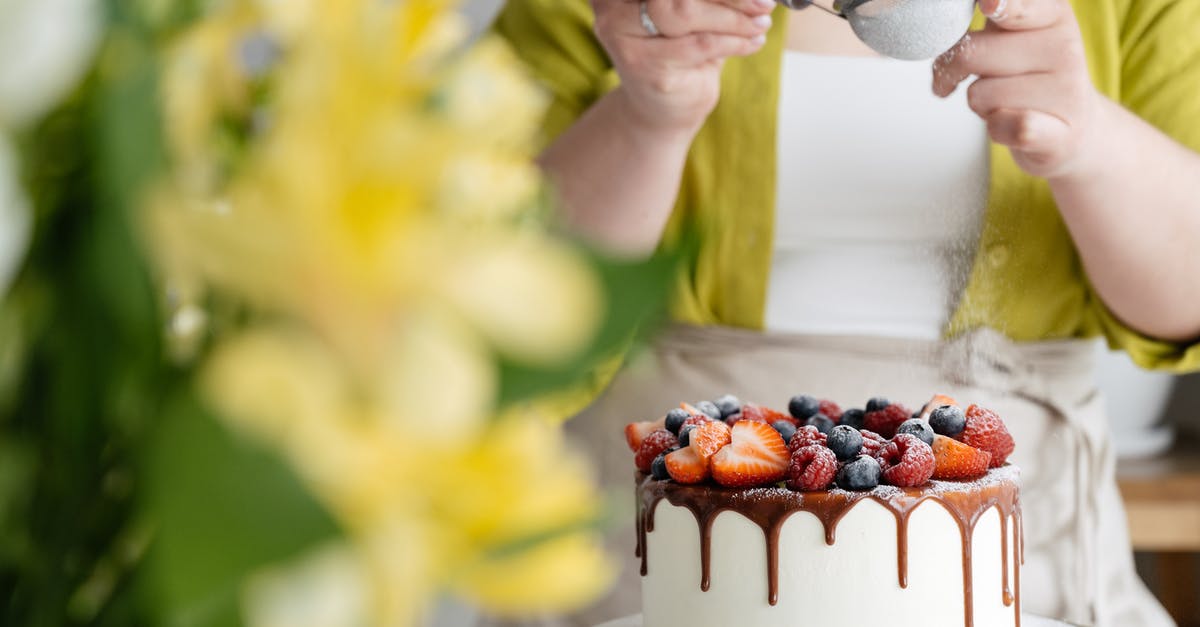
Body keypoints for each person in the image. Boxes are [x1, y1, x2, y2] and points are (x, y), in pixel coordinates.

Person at [492, 0, 1200, 625]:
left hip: (1036, 581)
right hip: (637, 584)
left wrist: (1087, 136)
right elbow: (501, 322)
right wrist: (649, 110)